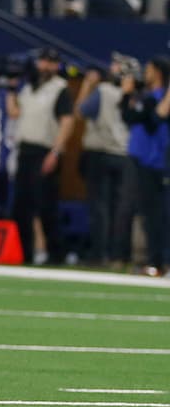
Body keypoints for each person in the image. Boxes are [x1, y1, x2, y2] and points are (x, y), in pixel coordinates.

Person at [7, 49, 74, 265]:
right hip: (25, 151)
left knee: (46, 206)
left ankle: (56, 255)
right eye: (44, 61)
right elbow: (15, 113)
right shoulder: (28, 87)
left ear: (57, 66)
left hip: (45, 151)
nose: (46, 66)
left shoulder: (60, 88)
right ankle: (25, 253)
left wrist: (56, 151)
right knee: (21, 206)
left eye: (51, 63)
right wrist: (10, 89)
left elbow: (67, 122)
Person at [75, 58, 131, 267]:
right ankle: (118, 255)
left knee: (99, 206)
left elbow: (80, 111)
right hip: (124, 154)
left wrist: (87, 85)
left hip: (101, 152)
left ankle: (99, 254)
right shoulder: (132, 94)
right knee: (119, 208)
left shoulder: (104, 90)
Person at [119, 58, 168, 276]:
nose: (144, 74)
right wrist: (127, 94)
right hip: (143, 160)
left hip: (157, 161)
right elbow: (129, 116)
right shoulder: (149, 97)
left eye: (148, 70)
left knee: (159, 213)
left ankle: (159, 261)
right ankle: (154, 260)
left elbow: (154, 119)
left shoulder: (160, 98)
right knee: (148, 213)